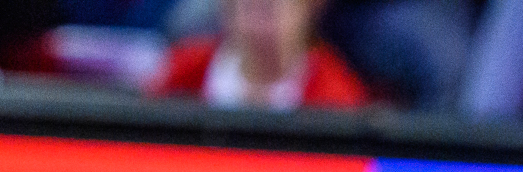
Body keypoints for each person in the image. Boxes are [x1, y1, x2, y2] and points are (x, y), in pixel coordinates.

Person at [156, 0, 374, 109]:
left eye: (274, 7)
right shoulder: (184, 69)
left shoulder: (336, 95)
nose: (262, 22)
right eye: (253, 7)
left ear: (305, 11)